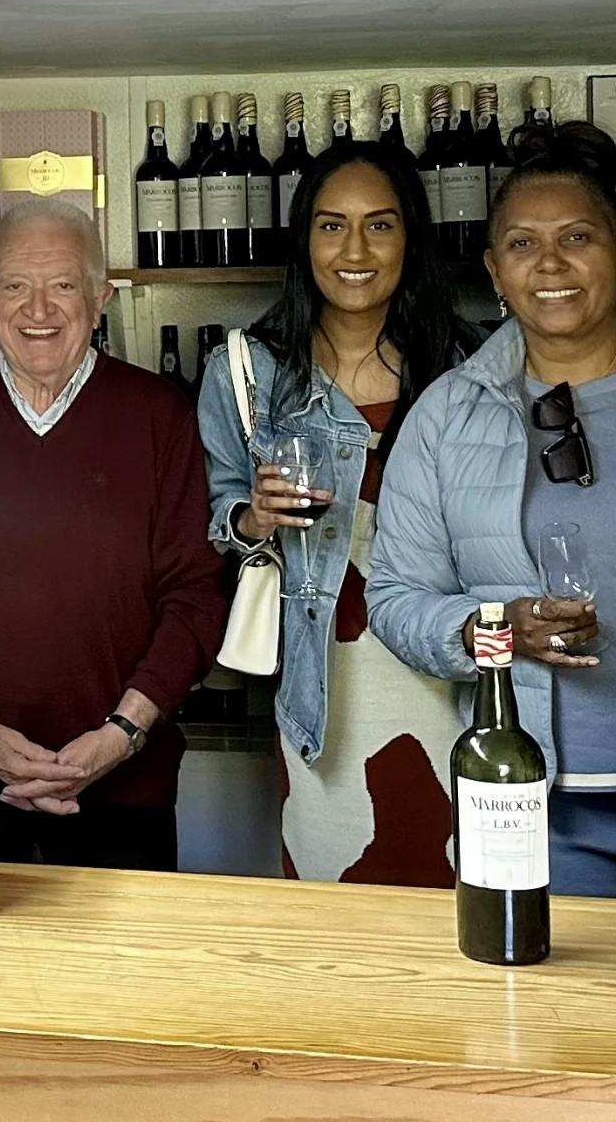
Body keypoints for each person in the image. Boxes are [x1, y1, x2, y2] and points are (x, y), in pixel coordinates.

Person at [366, 123, 616, 897]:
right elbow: (395, 598)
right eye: (521, 245)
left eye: (577, 237)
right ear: (494, 270)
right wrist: (497, 626)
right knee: (562, 1009)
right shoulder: (449, 412)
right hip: (536, 797)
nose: (549, 264)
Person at [0, 198, 227, 870]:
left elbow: (195, 596)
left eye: (62, 286)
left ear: (100, 298)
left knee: (120, 977)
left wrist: (122, 735)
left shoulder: (157, 416)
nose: (38, 310)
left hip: (128, 788)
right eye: (16, 285)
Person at [198, 140, 475, 885]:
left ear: (411, 239)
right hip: (323, 680)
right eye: (331, 226)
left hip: (451, 677)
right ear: (304, 240)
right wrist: (253, 517)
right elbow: (220, 513)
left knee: (457, 891)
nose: (355, 249)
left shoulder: (465, 368)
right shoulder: (247, 372)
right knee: (335, 895)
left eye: (380, 226)